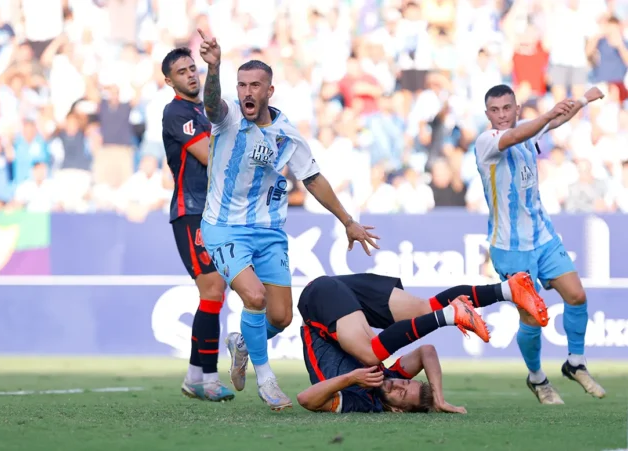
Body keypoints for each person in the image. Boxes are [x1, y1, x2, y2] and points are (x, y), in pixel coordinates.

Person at [196, 29, 379, 411]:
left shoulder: (286, 134)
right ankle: (267, 380)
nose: (247, 91)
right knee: (255, 296)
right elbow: (211, 106)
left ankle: (244, 344)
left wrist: (347, 220)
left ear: (269, 91)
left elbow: (313, 178)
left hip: (270, 232)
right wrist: (213, 68)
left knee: (280, 317)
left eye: (255, 86)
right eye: (242, 84)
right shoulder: (227, 118)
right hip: (224, 226)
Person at [474, 84, 606, 404]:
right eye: (495, 110)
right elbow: (520, 134)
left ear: (517, 108)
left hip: (544, 237)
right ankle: (537, 378)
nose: (502, 115)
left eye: (507, 108)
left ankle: (575, 363)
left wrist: (584, 99)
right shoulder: (487, 141)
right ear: (487, 114)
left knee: (576, 295)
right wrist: (547, 114)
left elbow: (557, 119)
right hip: (509, 247)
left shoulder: (528, 131)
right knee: (532, 317)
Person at [296, 271, 547, 413]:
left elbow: (306, 399)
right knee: (416, 318)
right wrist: (438, 397)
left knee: (384, 344)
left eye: (402, 394)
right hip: (336, 292)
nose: (397, 386)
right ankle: (497, 294)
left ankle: (502, 292)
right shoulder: (388, 376)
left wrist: (351, 379)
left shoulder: (360, 400)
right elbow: (426, 352)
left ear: (396, 410)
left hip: (319, 300)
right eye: (405, 383)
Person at [161, 47, 234, 402]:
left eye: (193, 68)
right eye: (182, 71)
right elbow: (211, 156)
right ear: (169, 80)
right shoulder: (176, 112)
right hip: (191, 210)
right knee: (212, 291)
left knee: (216, 294)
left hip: (216, 212)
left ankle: (195, 376)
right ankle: (207, 378)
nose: (191, 74)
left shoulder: (206, 110)